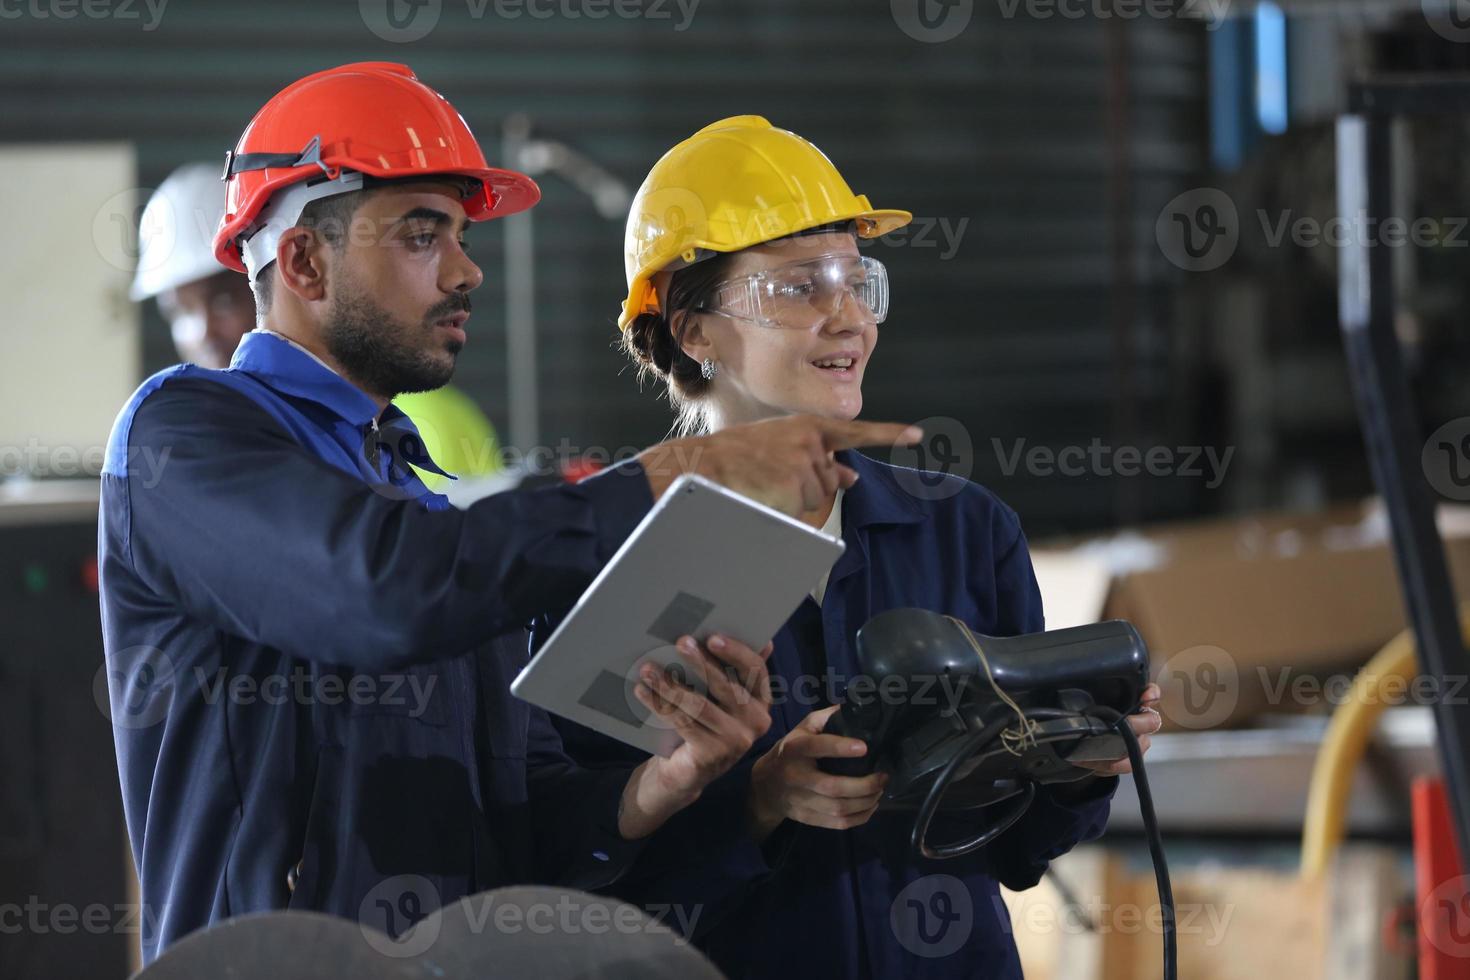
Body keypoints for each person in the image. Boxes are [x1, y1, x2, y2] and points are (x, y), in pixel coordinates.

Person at [99, 69, 919, 964]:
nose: (466, 269)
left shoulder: (422, 502)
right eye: (422, 233)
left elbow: (524, 830)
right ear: (302, 261)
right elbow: (384, 591)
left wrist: (670, 779)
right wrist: (679, 470)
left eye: (459, 234)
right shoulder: (184, 438)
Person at [545, 116, 1165, 979]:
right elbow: (572, 878)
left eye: (857, 282)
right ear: (692, 329)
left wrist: (1080, 764)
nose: (849, 322)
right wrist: (757, 803)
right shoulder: (602, 561)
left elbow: (1020, 854)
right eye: (800, 288)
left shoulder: (962, 532)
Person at [131, 161, 507, 499]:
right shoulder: (175, 426)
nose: (203, 334)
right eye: (180, 312)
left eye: (222, 302)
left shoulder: (394, 421)